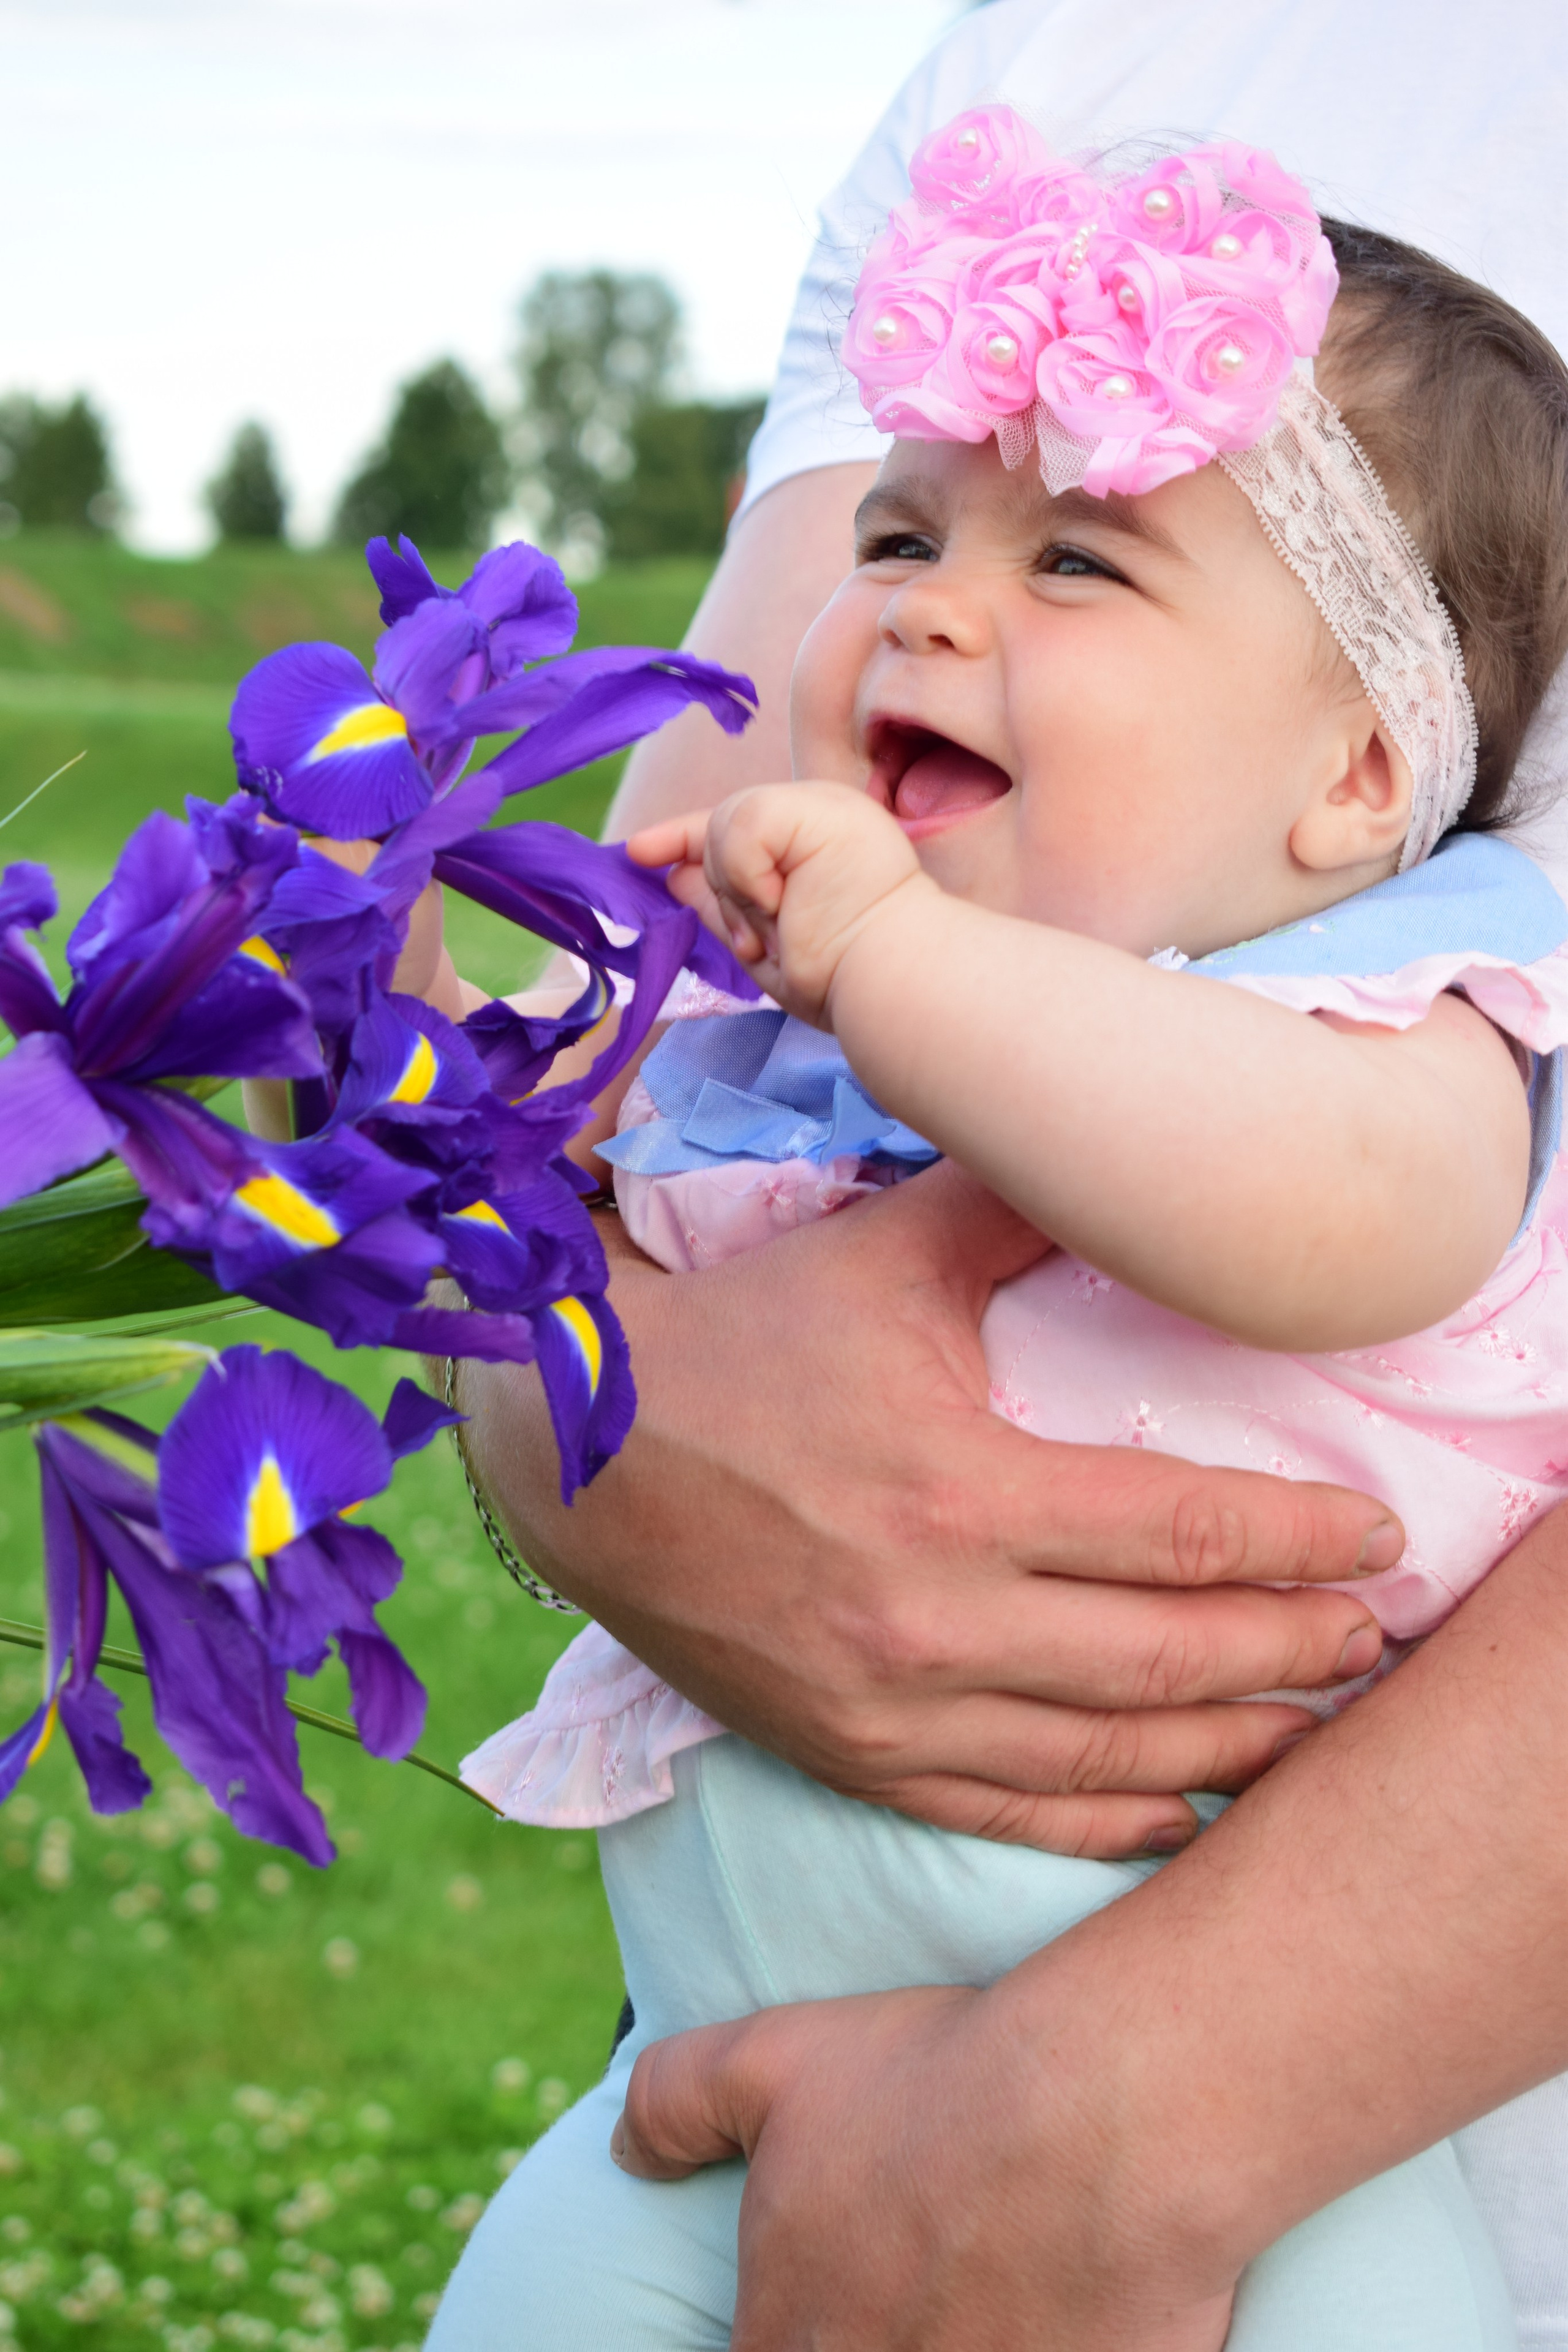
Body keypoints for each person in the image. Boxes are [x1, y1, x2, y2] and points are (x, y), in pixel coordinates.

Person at [432, 8, 1568, 2346]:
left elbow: (1354, 1227)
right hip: (715, 2087)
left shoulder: (1394, 1018)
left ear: (1358, 778)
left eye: (1082, 563)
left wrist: (883, 954)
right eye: (901, 532)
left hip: (1284, 2162)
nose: (931, 606)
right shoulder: (796, 1021)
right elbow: (530, 1199)